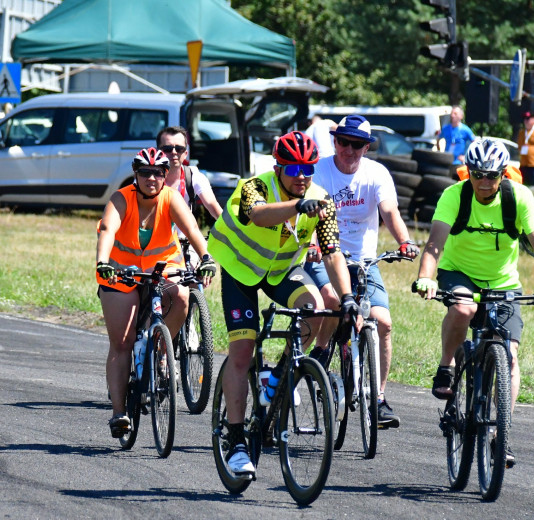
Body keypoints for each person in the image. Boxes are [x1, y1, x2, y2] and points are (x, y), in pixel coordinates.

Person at [207, 130, 358, 478]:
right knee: (242, 352)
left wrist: (347, 297)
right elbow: (259, 216)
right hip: (239, 270)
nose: (302, 175)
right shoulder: (254, 187)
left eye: (308, 167)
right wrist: (296, 206)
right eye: (293, 168)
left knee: (316, 308)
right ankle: (237, 441)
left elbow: (332, 253)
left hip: (279, 272)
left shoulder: (321, 201)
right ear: (278, 168)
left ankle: (275, 377)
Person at [413, 138, 534, 467]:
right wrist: (426, 277)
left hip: (503, 284)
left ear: (504, 174)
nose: (485, 182)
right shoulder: (454, 197)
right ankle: (447, 368)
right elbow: (434, 245)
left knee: (510, 358)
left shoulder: (519, 198)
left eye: (492, 175)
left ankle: (502, 434)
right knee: (463, 308)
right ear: (468, 173)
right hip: (459, 273)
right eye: (478, 174)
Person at [304, 115, 420, 428]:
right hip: (325, 256)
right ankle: (321, 350)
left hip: (363, 262)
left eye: (357, 144)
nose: (349, 149)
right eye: (343, 142)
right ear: (335, 141)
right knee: (331, 298)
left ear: (366, 147)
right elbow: (310, 216)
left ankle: (379, 398)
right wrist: (314, 246)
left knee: (383, 323)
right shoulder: (320, 171)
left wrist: (404, 242)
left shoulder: (376, 173)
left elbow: (389, 211)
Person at [95, 148, 216, 438]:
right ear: (135, 175)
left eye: (158, 173)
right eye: (145, 172)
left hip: (163, 267)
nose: (152, 178)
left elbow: (193, 229)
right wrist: (102, 262)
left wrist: (206, 256)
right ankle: (119, 413)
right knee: (122, 343)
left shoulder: (171, 198)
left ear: (165, 176)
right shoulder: (121, 198)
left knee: (183, 296)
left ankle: (160, 349)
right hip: (122, 272)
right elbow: (108, 230)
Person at [156, 125, 223, 231]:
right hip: (156, 243)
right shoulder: (147, 177)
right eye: (167, 149)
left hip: (185, 243)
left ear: (185, 154)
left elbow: (212, 206)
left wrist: (233, 232)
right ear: (158, 152)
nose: (174, 152)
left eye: (179, 148)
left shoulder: (194, 176)